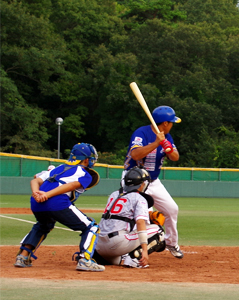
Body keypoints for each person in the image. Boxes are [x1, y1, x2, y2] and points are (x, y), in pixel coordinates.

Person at [14, 143, 104, 271]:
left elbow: (35, 180)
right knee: (92, 227)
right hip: (57, 202)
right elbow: (72, 185)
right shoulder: (84, 173)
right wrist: (47, 194)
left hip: (36, 203)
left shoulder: (57, 168)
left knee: (43, 225)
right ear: (86, 160)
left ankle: (23, 257)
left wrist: (36, 193)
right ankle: (85, 260)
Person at [122, 105, 184, 258]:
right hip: (134, 181)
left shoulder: (167, 136)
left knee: (172, 209)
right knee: (140, 215)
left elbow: (175, 157)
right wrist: (156, 143)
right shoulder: (141, 133)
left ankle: (170, 243)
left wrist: (168, 148)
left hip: (153, 181)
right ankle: (132, 250)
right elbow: (135, 154)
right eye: (171, 122)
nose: (172, 125)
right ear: (164, 123)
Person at [95, 166, 166, 268]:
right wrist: (145, 250)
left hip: (99, 245)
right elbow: (140, 223)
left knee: (116, 260)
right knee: (158, 231)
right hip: (116, 243)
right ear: (142, 184)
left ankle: (98, 257)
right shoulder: (139, 197)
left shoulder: (114, 194)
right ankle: (134, 259)